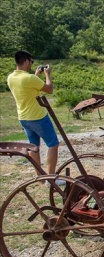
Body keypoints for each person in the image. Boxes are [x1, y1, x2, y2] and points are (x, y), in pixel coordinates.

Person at [6, 50, 60, 180]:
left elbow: (30, 89)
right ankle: (51, 178)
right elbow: (49, 89)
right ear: (25, 61)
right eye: (31, 61)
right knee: (53, 144)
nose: (31, 64)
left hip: (23, 118)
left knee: (33, 146)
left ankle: (40, 176)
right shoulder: (29, 78)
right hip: (38, 117)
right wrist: (47, 74)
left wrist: (36, 75)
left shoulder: (11, 77)